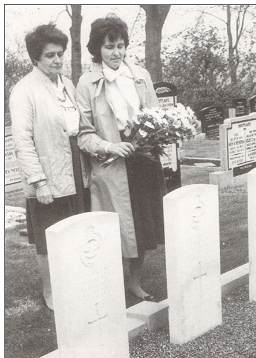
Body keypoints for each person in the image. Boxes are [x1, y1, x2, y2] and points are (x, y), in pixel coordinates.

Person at [76, 15, 165, 300]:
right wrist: (111, 146)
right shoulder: (87, 83)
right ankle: (111, 281)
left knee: (142, 227)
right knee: (116, 228)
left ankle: (135, 280)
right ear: (97, 50)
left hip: (143, 160)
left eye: (121, 46)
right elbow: (83, 134)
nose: (116, 53)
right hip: (112, 165)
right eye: (109, 47)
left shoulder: (140, 76)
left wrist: (152, 139)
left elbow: (155, 116)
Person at [9, 24, 90, 310]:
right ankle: (50, 290)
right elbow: (22, 141)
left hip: (74, 168)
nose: (57, 60)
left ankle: (76, 282)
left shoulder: (66, 84)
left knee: (75, 229)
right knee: (48, 237)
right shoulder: (23, 91)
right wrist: (39, 181)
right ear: (35, 58)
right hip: (46, 171)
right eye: (50, 55)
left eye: (60, 54)